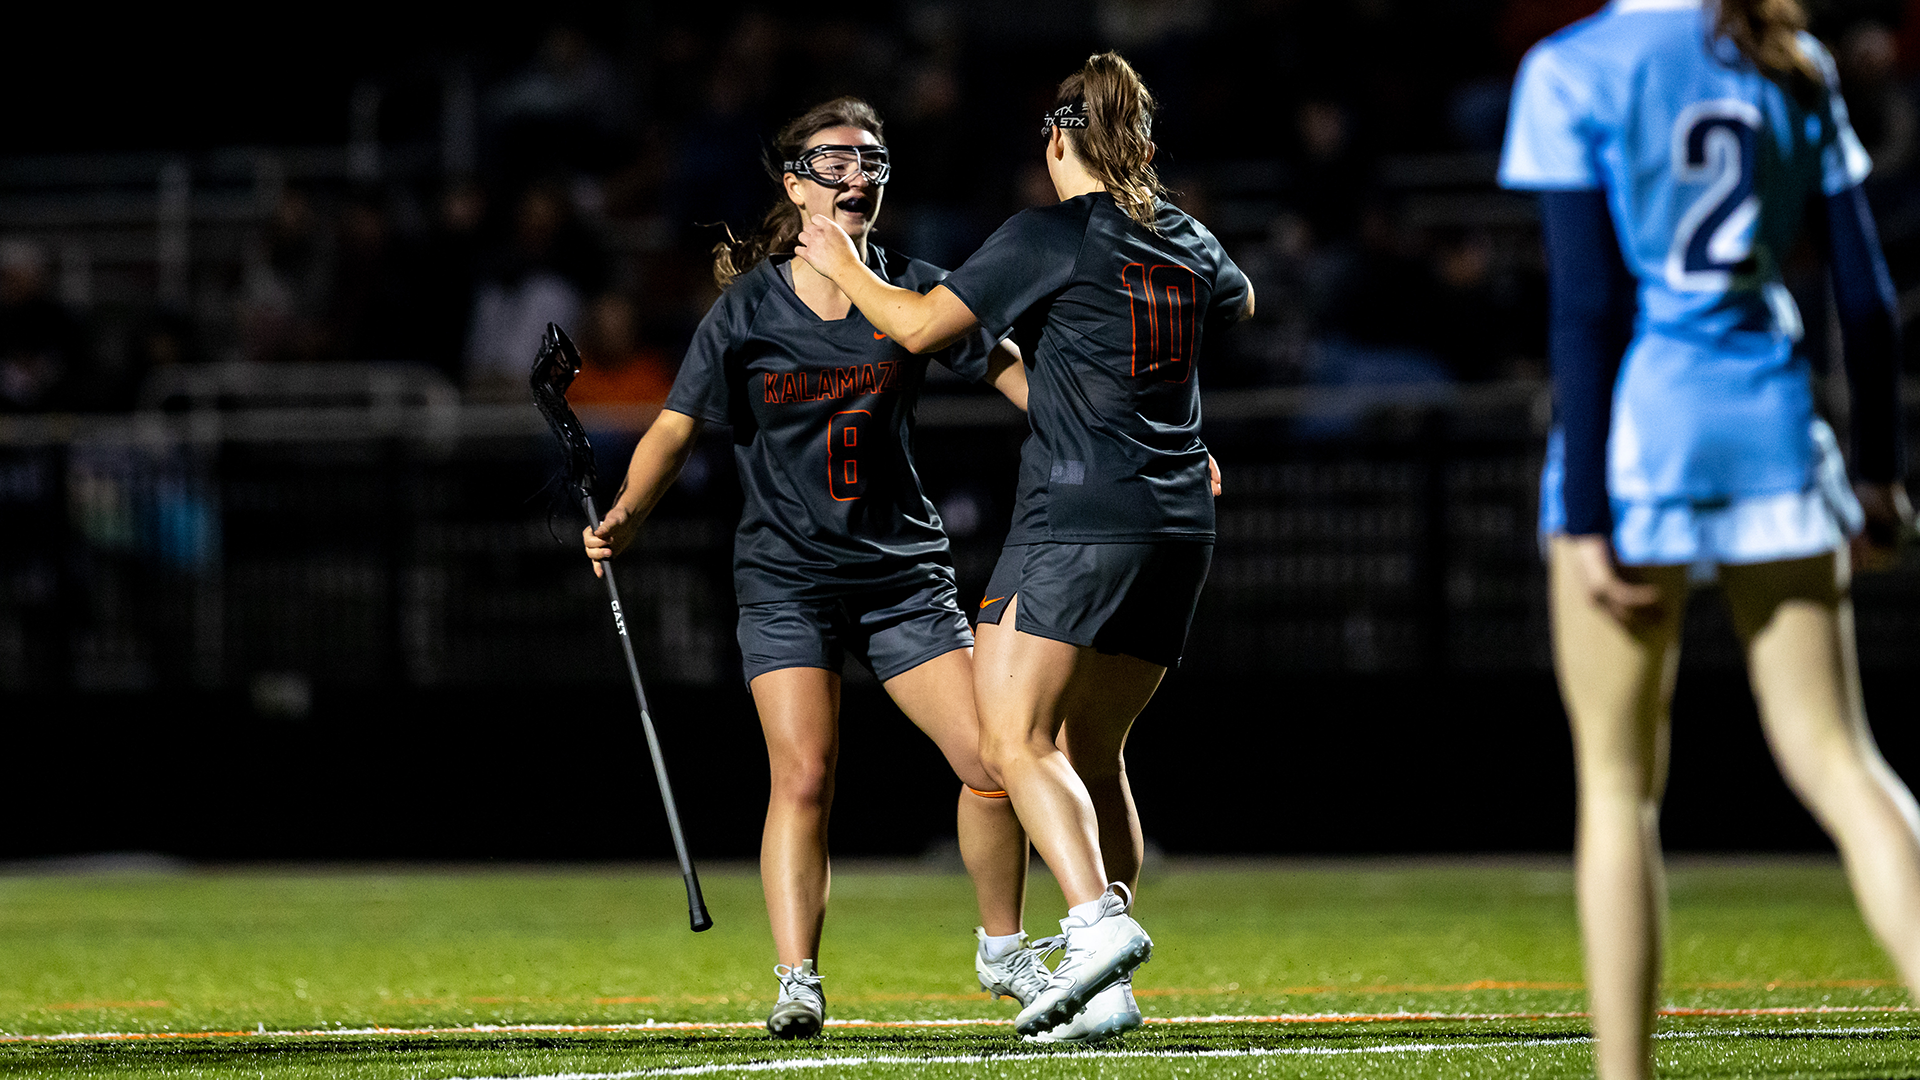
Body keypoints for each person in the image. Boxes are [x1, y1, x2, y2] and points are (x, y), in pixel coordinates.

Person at [1499, 2, 1920, 1077]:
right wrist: (1879, 473)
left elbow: (1587, 309)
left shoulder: (1571, 68)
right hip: (1773, 426)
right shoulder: (1789, 55)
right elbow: (1867, 301)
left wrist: (1584, 518)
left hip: (1641, 442)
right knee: (1846, 765)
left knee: (1617, 787)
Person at [795, 53, 1252, 1040]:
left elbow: (920, 327)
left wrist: (842, 266)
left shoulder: (1051, 232)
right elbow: (1237, 298)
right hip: (1179, 523)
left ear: (1056, 141)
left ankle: (1095, 929)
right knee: (1093, 749)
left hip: (1081, 518)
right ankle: (1108, 988)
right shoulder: (1183, 235)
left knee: (1013, 740)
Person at [582, 97, 1047, 1041]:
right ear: (795, 186)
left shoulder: (915, 291)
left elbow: (1019, 378)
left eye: (872, 160)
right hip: (786, 579)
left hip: (901, 578)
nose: (857, 175)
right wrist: (627, 513)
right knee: (803, 778)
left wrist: (1125, 447)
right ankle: (798, 980)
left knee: (993, 762)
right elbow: (674, 429)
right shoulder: (747, 309)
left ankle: (1004, 950)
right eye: (835, 161)